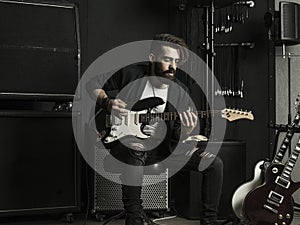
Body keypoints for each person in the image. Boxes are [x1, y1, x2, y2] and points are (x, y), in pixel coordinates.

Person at [88, 33, 223, 225]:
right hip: (127, 145)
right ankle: (134, 219)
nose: (172, 66)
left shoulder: (181, 91)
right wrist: (107, 103)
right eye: (167, 59)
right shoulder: (131, 73)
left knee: (214, 163)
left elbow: (178, 134)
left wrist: (185, 130)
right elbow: (92, 84)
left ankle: (210, 222)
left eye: (176, 61)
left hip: (164, 151)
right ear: (152, 58)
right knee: (136, 148)